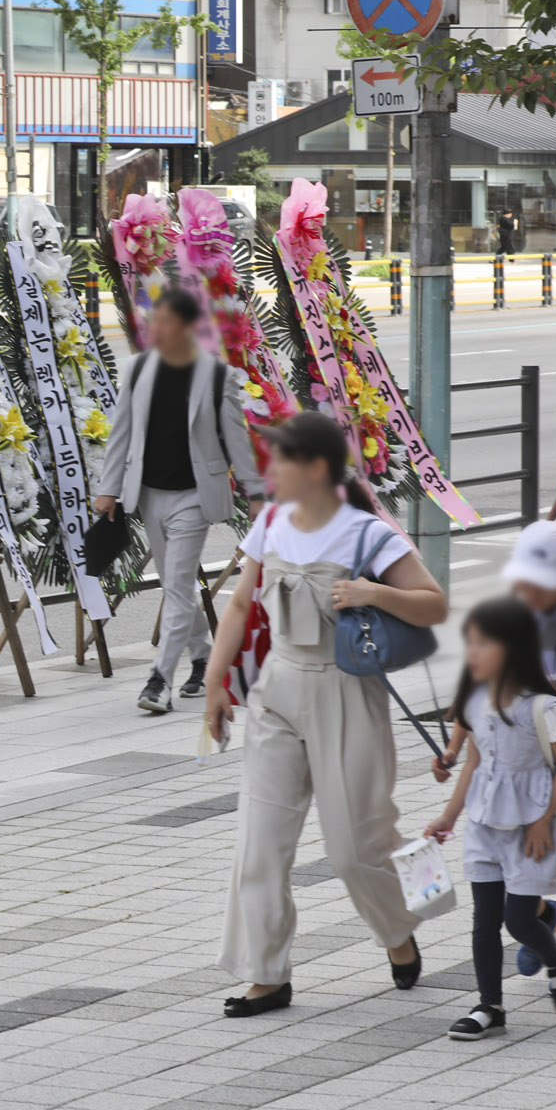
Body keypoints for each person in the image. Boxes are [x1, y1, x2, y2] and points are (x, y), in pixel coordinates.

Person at [205, 411, 448, 1017]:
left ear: (315, 468)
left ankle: (399, 928)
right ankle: (266, 975)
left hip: (346, 693)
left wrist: (374, 593)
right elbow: (238, 605)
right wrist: (215, 682)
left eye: (280, 459)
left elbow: (434, 606)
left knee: (355, 846)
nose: (269, 471)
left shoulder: (367, 534)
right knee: (259, 845)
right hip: (276, 691)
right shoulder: (269, 522)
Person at [431, 520, 556, 979]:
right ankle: (540, 915)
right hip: (516, 765)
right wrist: (453, 750)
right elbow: (477, 689)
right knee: (520, 856)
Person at [94, 286, 264, 714]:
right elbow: (121, 433)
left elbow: (236, 439)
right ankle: (204, 656)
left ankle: (159, 679)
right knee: (178, 583)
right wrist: (108, 488)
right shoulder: (137, 370)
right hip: (149, 494)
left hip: (194, 495)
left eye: (166, 322)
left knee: (176, 583)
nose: (156, 329)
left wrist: (256, 492)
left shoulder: (216, 376)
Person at [424, 598, 556, 1040]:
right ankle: (489, 1007)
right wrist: (448, 816)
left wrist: (543, 820)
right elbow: (474, 762)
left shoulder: (542, 709)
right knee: (484, 921)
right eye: (470, 643)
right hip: (483, 823)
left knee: (519, 921)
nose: (472, 653)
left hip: (531, 828)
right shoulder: (475, 700)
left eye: (483, 643)